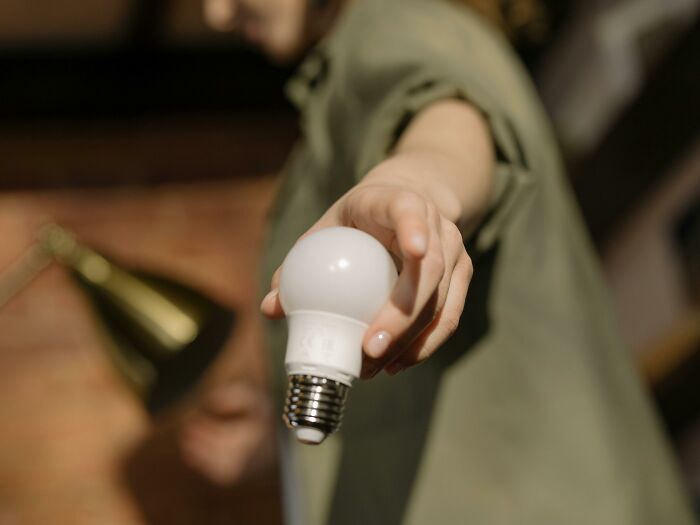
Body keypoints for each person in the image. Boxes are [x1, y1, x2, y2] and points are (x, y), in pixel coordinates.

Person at [182, 0, 696, 523]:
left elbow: (449, 115)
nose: (217, 14)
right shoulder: (332, 97)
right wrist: (280, 436)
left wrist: (413, 187)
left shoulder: (399, 23)